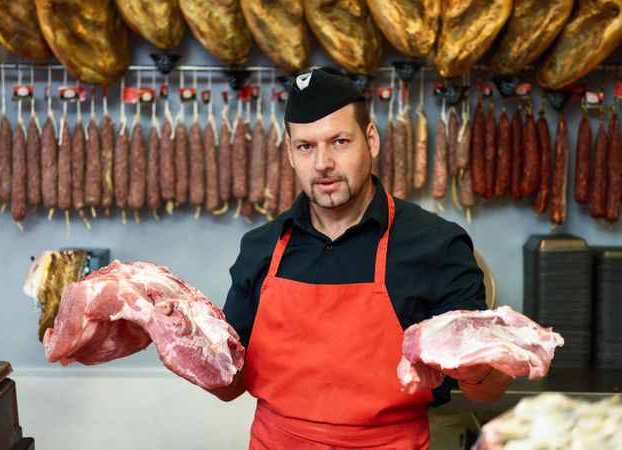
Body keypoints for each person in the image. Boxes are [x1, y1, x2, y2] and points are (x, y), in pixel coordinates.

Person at [211, 67, 511, 449]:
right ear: (289, 152)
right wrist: (173, 338)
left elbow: (486, 393)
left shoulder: (438, 246)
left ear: (371, 140)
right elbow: (228, 386)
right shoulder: (261, 248)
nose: (322, 163)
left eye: (338, 141)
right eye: (306, 146)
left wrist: (482, 362)